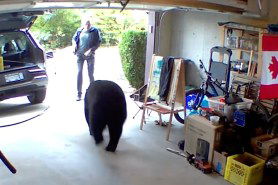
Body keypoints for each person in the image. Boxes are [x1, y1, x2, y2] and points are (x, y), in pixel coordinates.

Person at [72, 19, 101, 101]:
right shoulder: (79, 30)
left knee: (90, 74)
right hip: (79, 55)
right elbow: (74, 39)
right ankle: (79, 94)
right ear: (83, 24)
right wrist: (74, 45)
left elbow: (98, 42)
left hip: (90, 55)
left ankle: (93, 93)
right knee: (79, 72)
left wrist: (91, 50)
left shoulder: (95, 31)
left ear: (90, 24)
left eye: (88, 24)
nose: (87, 25)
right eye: (86, 24)